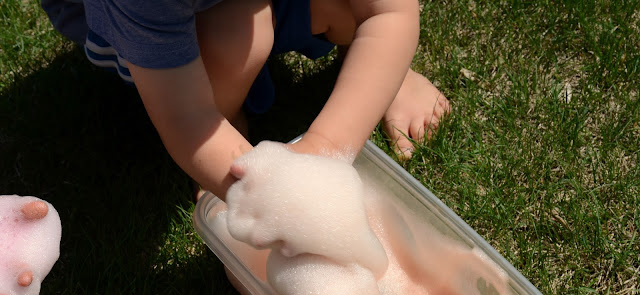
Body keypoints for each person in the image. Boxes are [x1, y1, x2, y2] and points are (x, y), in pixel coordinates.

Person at [41, 0, 450, 201]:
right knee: (234, 38)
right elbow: (187, 116)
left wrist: (326, 149)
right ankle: (228, 121)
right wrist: (265, 195)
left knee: (357, 8)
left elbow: (388, 10)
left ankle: (381, 72)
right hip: (157, 39)